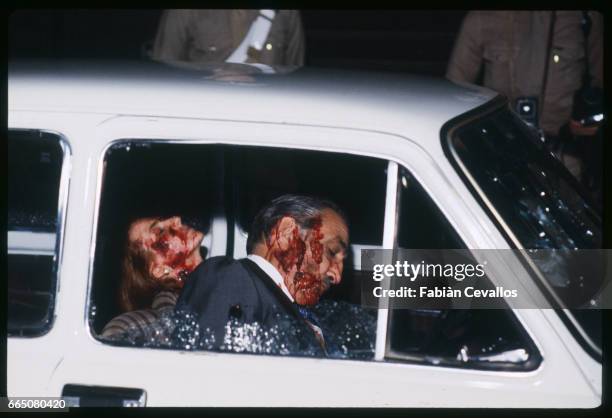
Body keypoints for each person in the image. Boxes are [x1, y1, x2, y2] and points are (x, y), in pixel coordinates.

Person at [176, 194, 349, 354]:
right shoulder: (230, 277)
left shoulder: (308, 315)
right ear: (286, 234)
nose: (337, 275)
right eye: (332, 252)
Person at [446, 11, 603, 182]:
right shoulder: (481, 18)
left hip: (564, 159)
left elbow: (600, 88)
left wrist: (588, 120)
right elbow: (453, 95)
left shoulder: (585, 17)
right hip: (501, 159)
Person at [100, 216, 205, 339]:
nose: (177, 219)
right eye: (160, 232)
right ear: (159, 270)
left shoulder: (211, 285)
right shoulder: (136, 326)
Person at [151, 9, 305, 67]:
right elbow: (164, 70)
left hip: (269, 114)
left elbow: (296, 70)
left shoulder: (286, 12)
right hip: (204, 111)